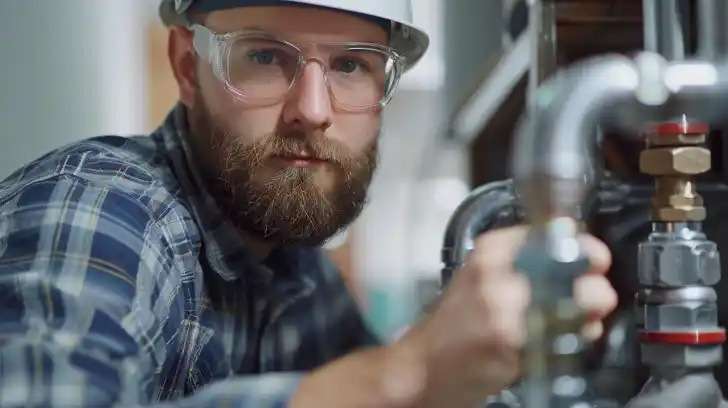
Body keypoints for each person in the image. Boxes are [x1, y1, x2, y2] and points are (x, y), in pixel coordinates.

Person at [0, 0, 618, 407]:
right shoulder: (98, 208)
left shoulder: (297, 274)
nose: (313, 111)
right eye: (266, 57)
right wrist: (409, 375)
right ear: (189, 67)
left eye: (352, 65)